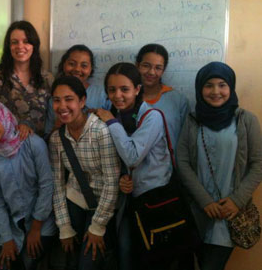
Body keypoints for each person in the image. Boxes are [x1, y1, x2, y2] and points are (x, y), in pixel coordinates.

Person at [96, 62, 192, 270]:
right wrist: (123, 177)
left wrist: (112, 123)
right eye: (112, 90)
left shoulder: (152, 117)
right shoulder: (114, 115)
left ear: (138, 89)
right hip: (129, 200)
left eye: (125, 89)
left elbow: (132, 156)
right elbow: (117, 159)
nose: (118, 95)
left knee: (155, 258)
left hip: (156, 200)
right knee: (126, 254)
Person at [177, 62, 262, 270]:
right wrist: (205, 201)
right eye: (209, 85)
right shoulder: (192, 120)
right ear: (200, 88)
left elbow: (258, 163)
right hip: (198, 212)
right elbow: (182, 161)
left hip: (229, 214)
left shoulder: (246, 120)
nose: (216, 91)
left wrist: (237, 200)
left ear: (231, 87)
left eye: (222, 85)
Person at [49, 76, 120, 270]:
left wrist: (97, 227)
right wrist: (64, 226)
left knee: (87, 264)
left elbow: (112, 182)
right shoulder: (57, 139)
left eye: (69, 99)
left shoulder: (100, 131)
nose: (62, 106)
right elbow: (56, 183)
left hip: (103, 207)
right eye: (56, 100)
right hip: (74, 204)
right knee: (70, 263)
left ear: (82, 101)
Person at [0, 100, 56, 270]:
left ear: (3, 117)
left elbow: (47, 185)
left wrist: (36, 228)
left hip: (41, 224)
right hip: (13, 228)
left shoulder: (32, 143)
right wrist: (6, 238)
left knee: (27, 263)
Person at [0, 20, 53, 138]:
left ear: (34, 45)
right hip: (5, 150)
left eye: (26, 42)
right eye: (14, 42)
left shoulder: (47, 79)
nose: (20, 46)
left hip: (39, 150)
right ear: (8, 47)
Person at [45, 44, 111, 135]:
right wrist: (56, 127)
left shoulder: (102, 94)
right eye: (71, 64)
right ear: (64, 64)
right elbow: (47, 137)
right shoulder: (55, 99)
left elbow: (113, 127)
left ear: (91, 69)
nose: (77, 69)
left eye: (84, 66)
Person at [135, 43, 189, 148]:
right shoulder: (127, 99)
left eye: (158, 68)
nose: (151, 72)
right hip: (135, 163)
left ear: (163, 70)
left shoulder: (178, 100)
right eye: (146, 66)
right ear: (137, 65)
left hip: (170, 164)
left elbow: (185, 141)